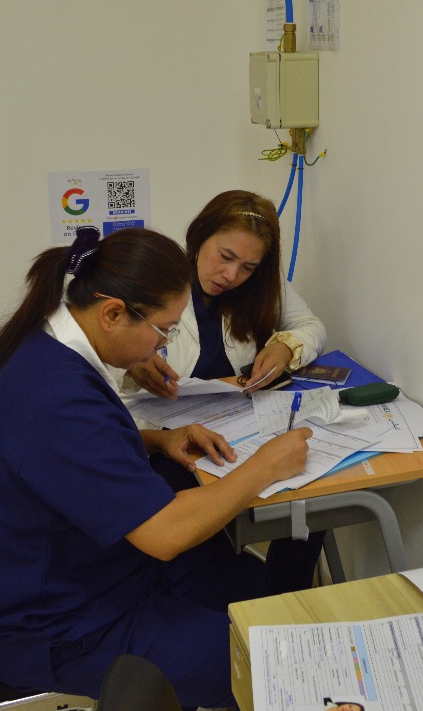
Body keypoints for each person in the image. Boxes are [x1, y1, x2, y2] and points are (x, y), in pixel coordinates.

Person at [0, 225, 312, 707]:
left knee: (244, 581)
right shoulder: (58, 396)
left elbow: (59, 455)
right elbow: (165, 535)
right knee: (265, 661)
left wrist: (158, 440)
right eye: (164, 330)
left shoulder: (42, 348)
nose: (162, 347)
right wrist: (265, 466)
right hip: (58, 629)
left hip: (78, 579)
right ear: (112, 314)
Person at [118, 190, 328, 592]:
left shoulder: (261, 289)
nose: (231, 275)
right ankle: (216, 589)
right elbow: (94, 356)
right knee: (181, 518)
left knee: (309, 491)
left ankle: (285, 595)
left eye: (248, 267)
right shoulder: (152, 281)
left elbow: (311, 326)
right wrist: (132, 357)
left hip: (235, 429)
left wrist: (286, 346)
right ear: (199, 238)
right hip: (165, 440)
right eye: (225, 256)